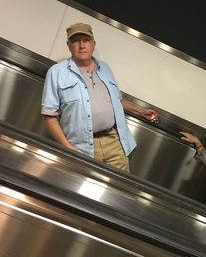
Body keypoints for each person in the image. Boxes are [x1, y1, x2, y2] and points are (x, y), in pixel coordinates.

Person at [41, 22, 157, 172]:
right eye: (76, 41)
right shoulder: (56, 72)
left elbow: (116, 101)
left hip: (114, 142)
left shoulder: (105, 68)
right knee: (85, 189)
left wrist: (140, 111)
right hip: (82, 147)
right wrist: (67, 148)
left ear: (93, 44)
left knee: (119, 188)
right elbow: (48, 115)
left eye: (86, 40)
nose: (82, 45)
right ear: (68, 45)